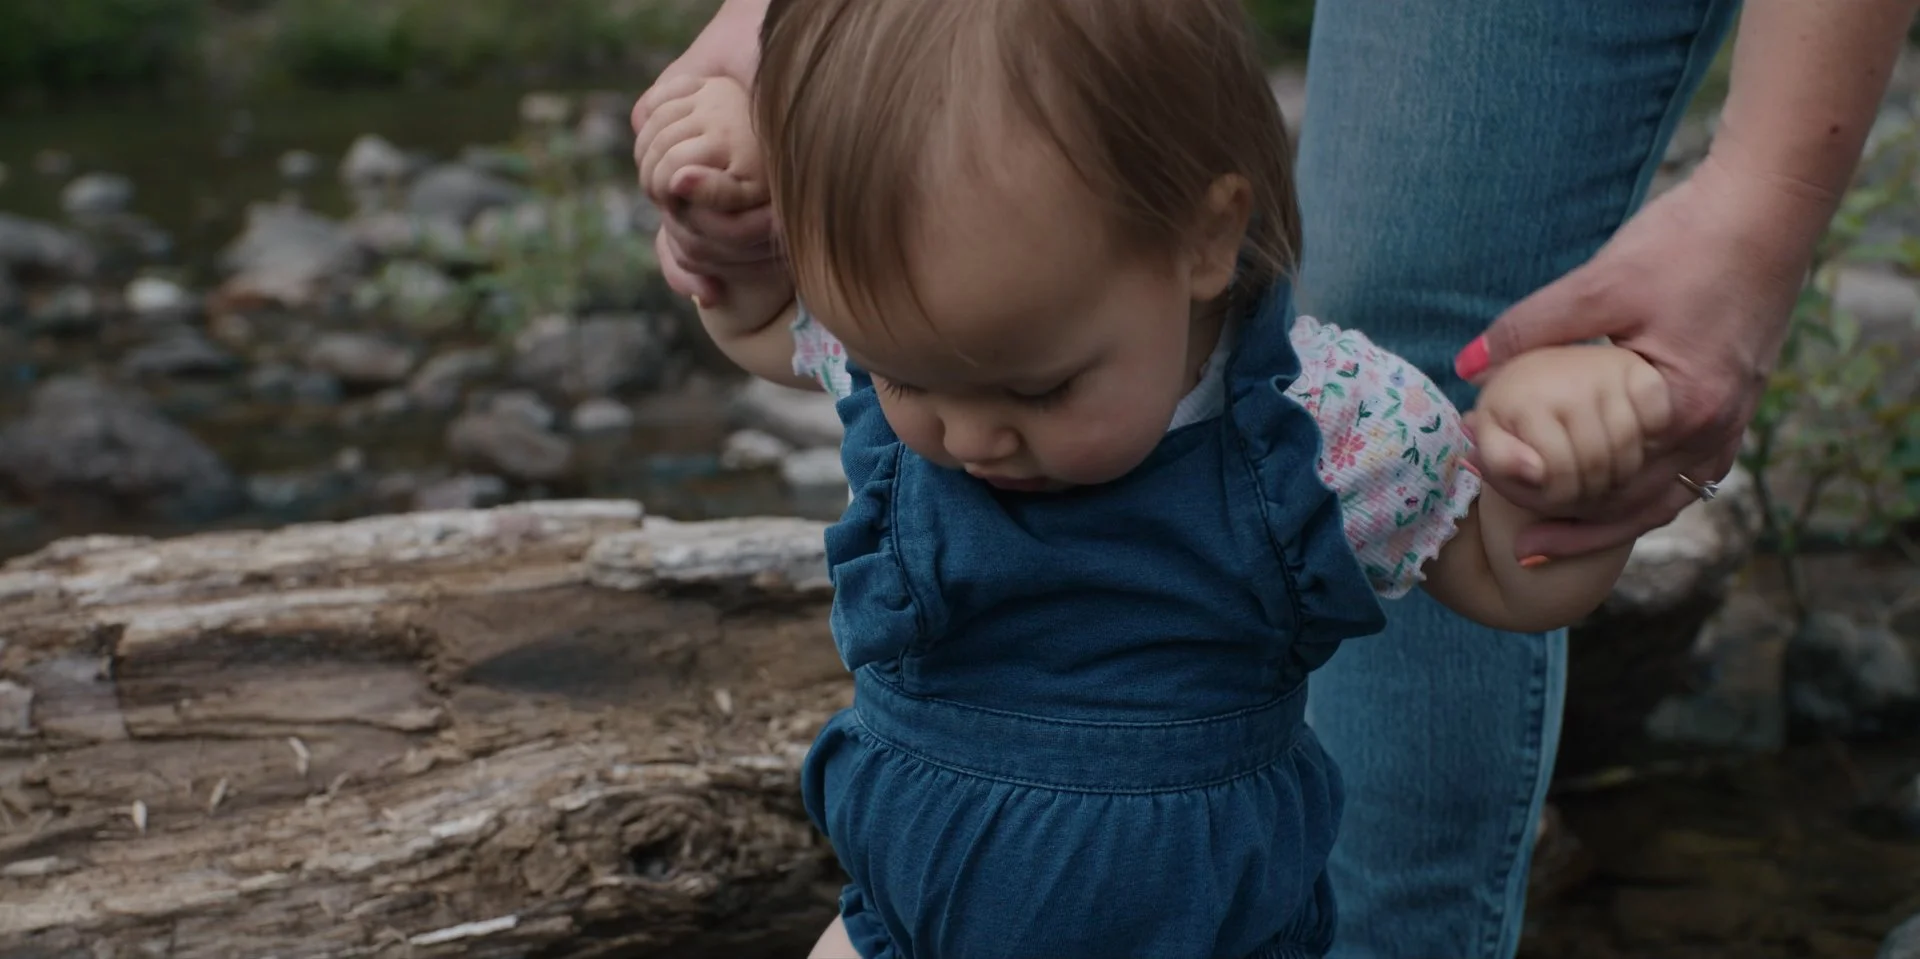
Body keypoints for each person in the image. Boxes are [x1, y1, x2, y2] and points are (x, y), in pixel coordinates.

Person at [631, 0, 1919, 953]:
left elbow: (1508, 583)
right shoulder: (906, 339)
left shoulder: (1327, 425)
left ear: (1205, 240)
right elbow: (762, 330)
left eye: (1035, 390)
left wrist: (1561, 461)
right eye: (911, 382)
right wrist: (732, 239)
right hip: (901, 923)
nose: (967, 437)